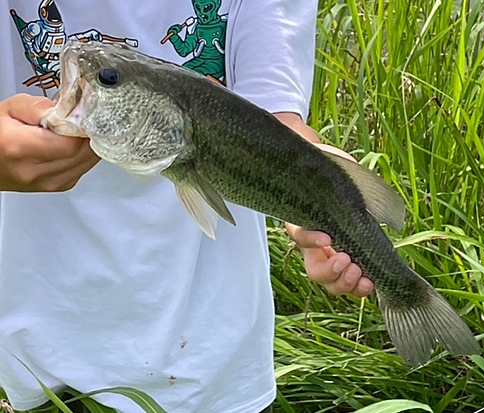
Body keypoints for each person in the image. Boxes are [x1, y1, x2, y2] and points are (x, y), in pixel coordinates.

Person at [0, 1, 373, 412]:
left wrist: (327, 208)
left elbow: (277, 126)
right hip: (42, 348)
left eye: (106, 78)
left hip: (211, 360)